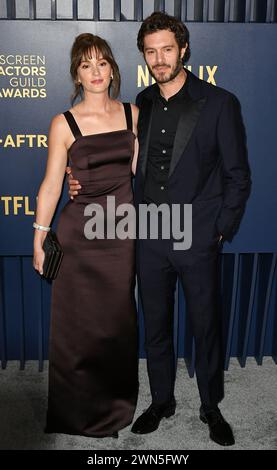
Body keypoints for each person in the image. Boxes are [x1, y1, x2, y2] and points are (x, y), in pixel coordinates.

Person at [69, 12, 251, 446]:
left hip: (198, 236)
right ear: (144, 57)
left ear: (183, 49)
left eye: (167, 49)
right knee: (156, 325)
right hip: (148, 234)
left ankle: (211, 405)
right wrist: (81, 181)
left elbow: (238, 175)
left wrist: (220, 229)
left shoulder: (220, 102)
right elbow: (119, 159)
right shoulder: (142, 103)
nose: (159, 58)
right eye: (151, 52)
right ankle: (162, 400)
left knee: (206, 325)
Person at [33, 33, 139, 438]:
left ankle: (113, 406)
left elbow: (139, 173)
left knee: (116, 321)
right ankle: (74, 411)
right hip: (79, 235)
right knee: (77, 326)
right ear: (76, 74)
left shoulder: (133, 115)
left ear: (113, 68)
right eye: (86, 65)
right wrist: (39, 239)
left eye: (102, 63)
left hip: (121, 233)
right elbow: (51, 186)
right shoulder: (64, 122)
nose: (95, 72)